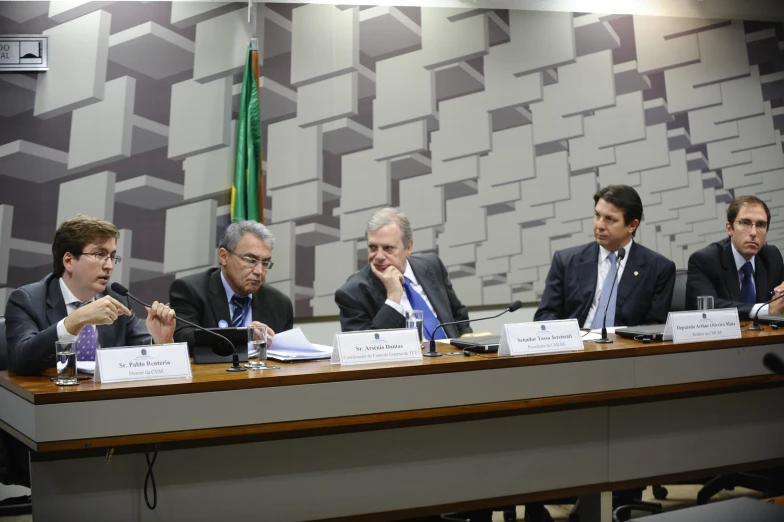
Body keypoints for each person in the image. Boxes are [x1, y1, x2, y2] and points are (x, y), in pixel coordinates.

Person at [5, 215, 176, 377]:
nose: (109, 265)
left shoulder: (116, 297)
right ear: (69, 260)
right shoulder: (27, 300)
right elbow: (21, 362)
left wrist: (159, 342)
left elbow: (138, 354)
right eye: (100, 254)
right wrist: (76, 319)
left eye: (112, 256)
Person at [535, 185, 676, 327]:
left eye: (610, 219)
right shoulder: (566, 261)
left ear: (632, 225)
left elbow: (654, 326)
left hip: (626, 346)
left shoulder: (658, 268)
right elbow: (545, 316)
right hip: (578, 344)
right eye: (597, 215)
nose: (599, 225)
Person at [335, 207, 471, 339]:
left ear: (408, 247)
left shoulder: (432, 265)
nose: (379, 256)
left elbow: (458, 314)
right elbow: (363, 348)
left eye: (388, 248)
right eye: (373, 247)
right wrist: (393, 298)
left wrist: (466, 344)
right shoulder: (352, 293)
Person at [169, 221, 293, 352]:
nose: (259, 271)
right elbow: (184, 340)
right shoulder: (190, 290)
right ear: (224, 256)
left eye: (265, 263)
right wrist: (243, 335)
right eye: (250, 260)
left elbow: (285, 354)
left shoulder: (280, 303)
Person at [686, 195, 784, 318]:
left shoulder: (772, 257)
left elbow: (779, 302)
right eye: (745, 223)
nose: (753, 232)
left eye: (760, 225)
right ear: (729, 228)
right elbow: (706, 307)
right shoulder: (704, 260)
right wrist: (765, 309)